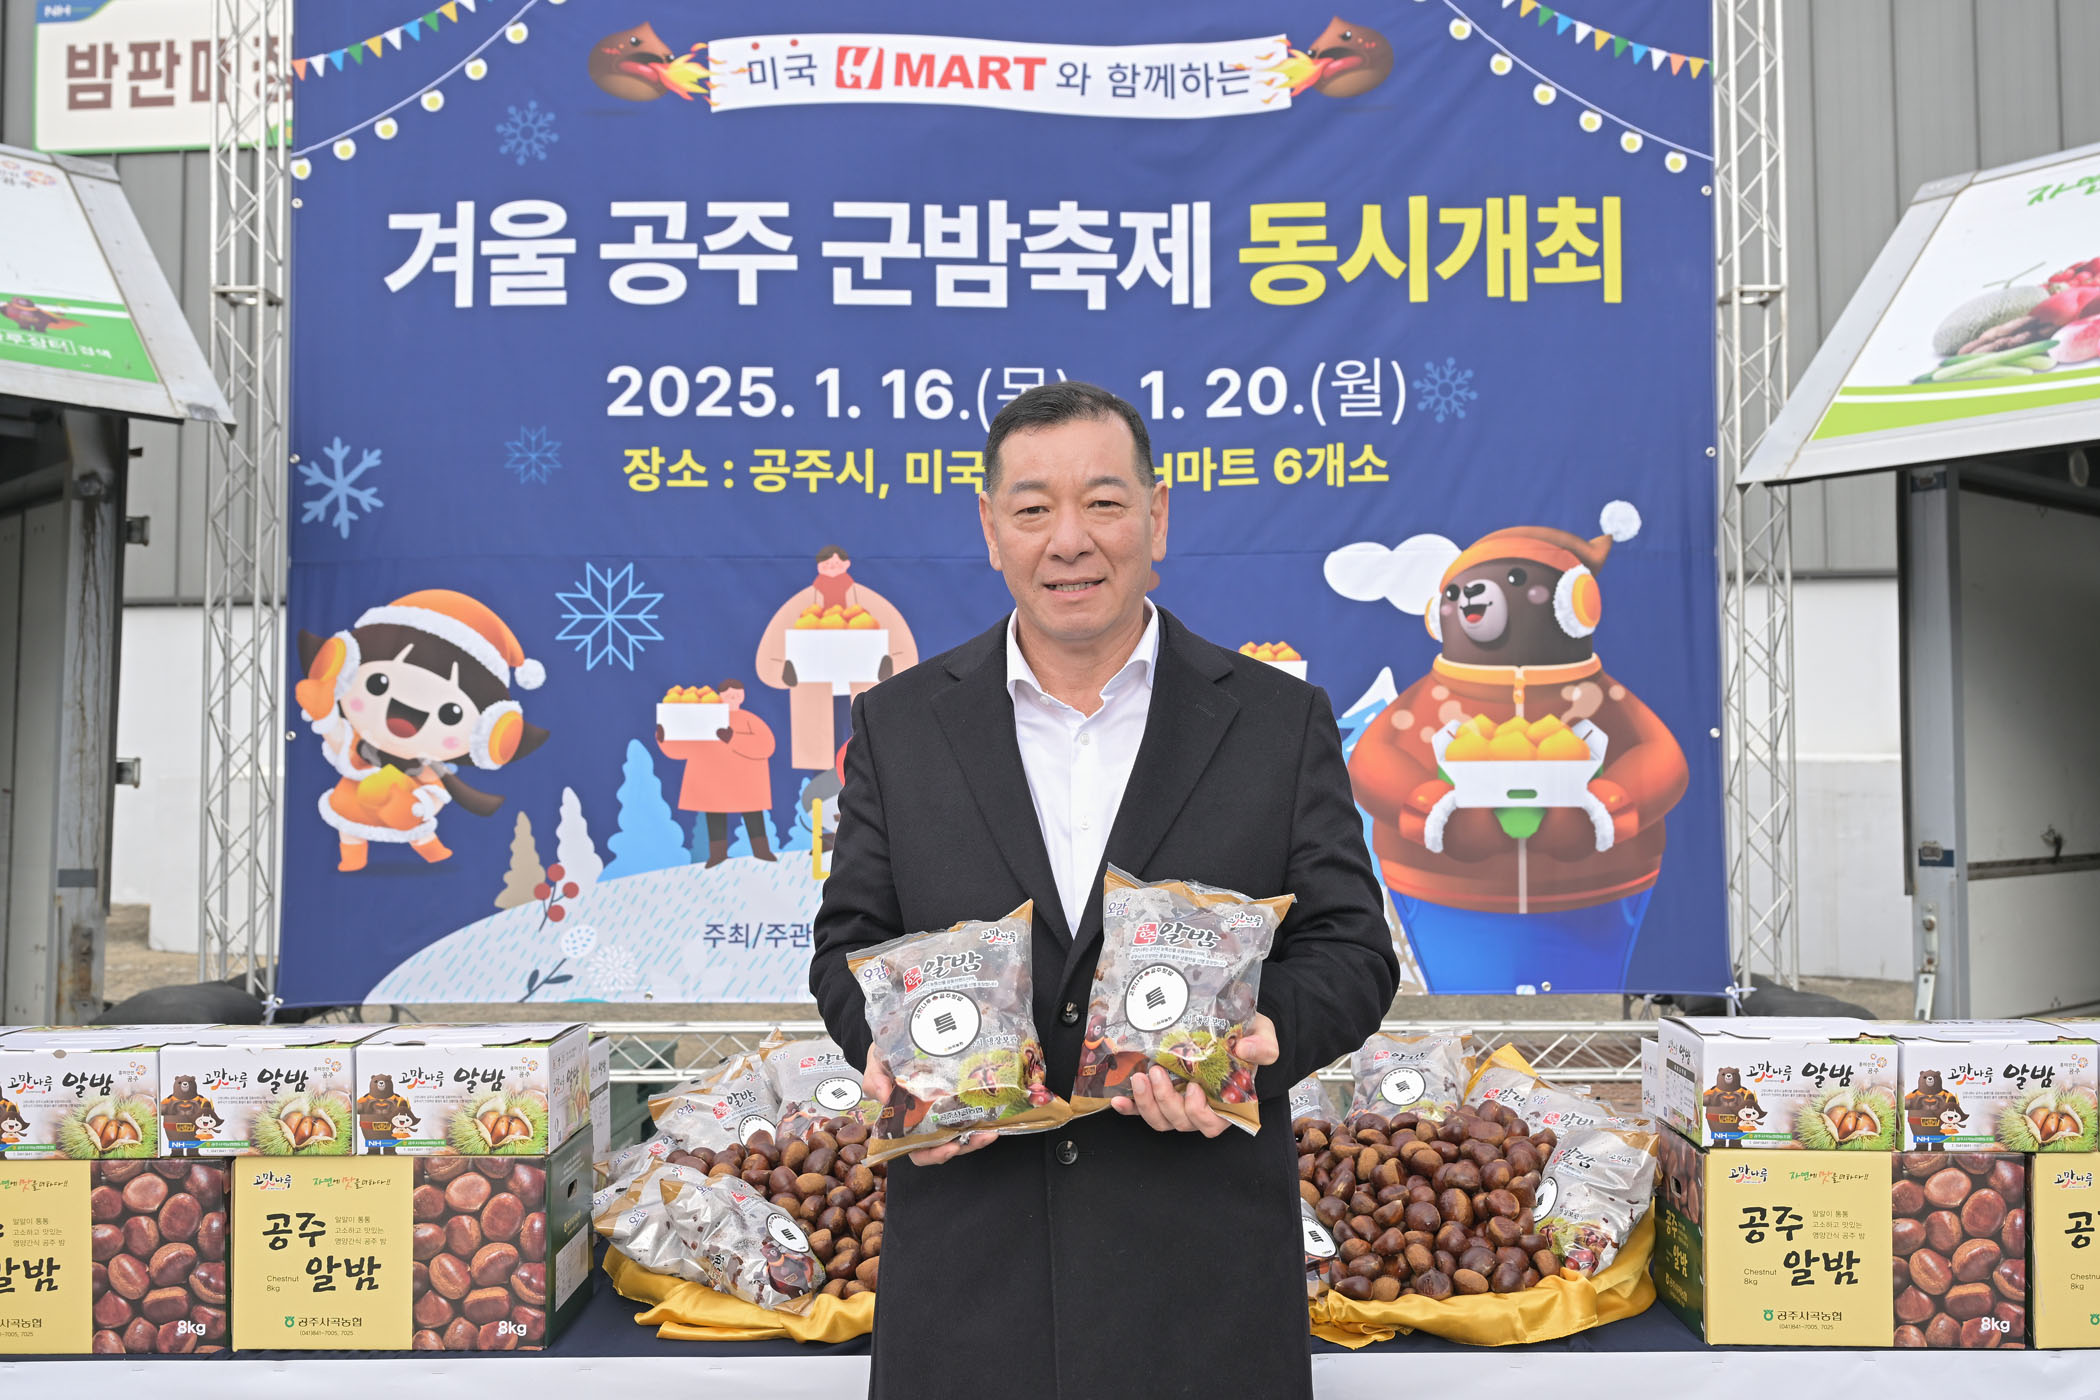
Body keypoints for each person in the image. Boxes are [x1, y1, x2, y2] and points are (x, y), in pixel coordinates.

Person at [809, 382, 1398, 1400]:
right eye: (1033, 508)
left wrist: (1266, 1036)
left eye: (1105, 502)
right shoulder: (900, 726)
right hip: (968, 1291)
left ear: (1158, 516)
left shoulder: (1276, 721)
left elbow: (1351, 948)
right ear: (990, 528)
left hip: (1202, 1293)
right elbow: (848, 944)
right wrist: (902, 1060)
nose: (1069, 540)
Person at [755, 545, 919, 771]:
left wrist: (888, 666)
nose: (832, 567)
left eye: (836, 562)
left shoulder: (869, 601)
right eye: (826, 563)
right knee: (820, 757)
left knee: (865, 753)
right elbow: (770, 654)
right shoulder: (800, 604)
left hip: (864, 688)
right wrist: (786, 672)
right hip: (813, 693)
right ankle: (818, 791)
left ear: (846, 564)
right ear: (819, 566)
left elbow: (902, 645)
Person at [654, 680, 777, 866]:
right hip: (713, 782)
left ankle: (762, 851)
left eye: (737, 693)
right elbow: (684, 749)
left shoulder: (750, 720)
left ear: (743, 696)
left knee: (753, 816)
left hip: (746, 782)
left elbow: (766, 745)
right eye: (728, 694)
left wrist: (733, 738)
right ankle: (717, 855)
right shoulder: (704, 720)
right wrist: (664, 738)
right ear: (720, 696)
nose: (733, 697)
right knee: (715, 817)